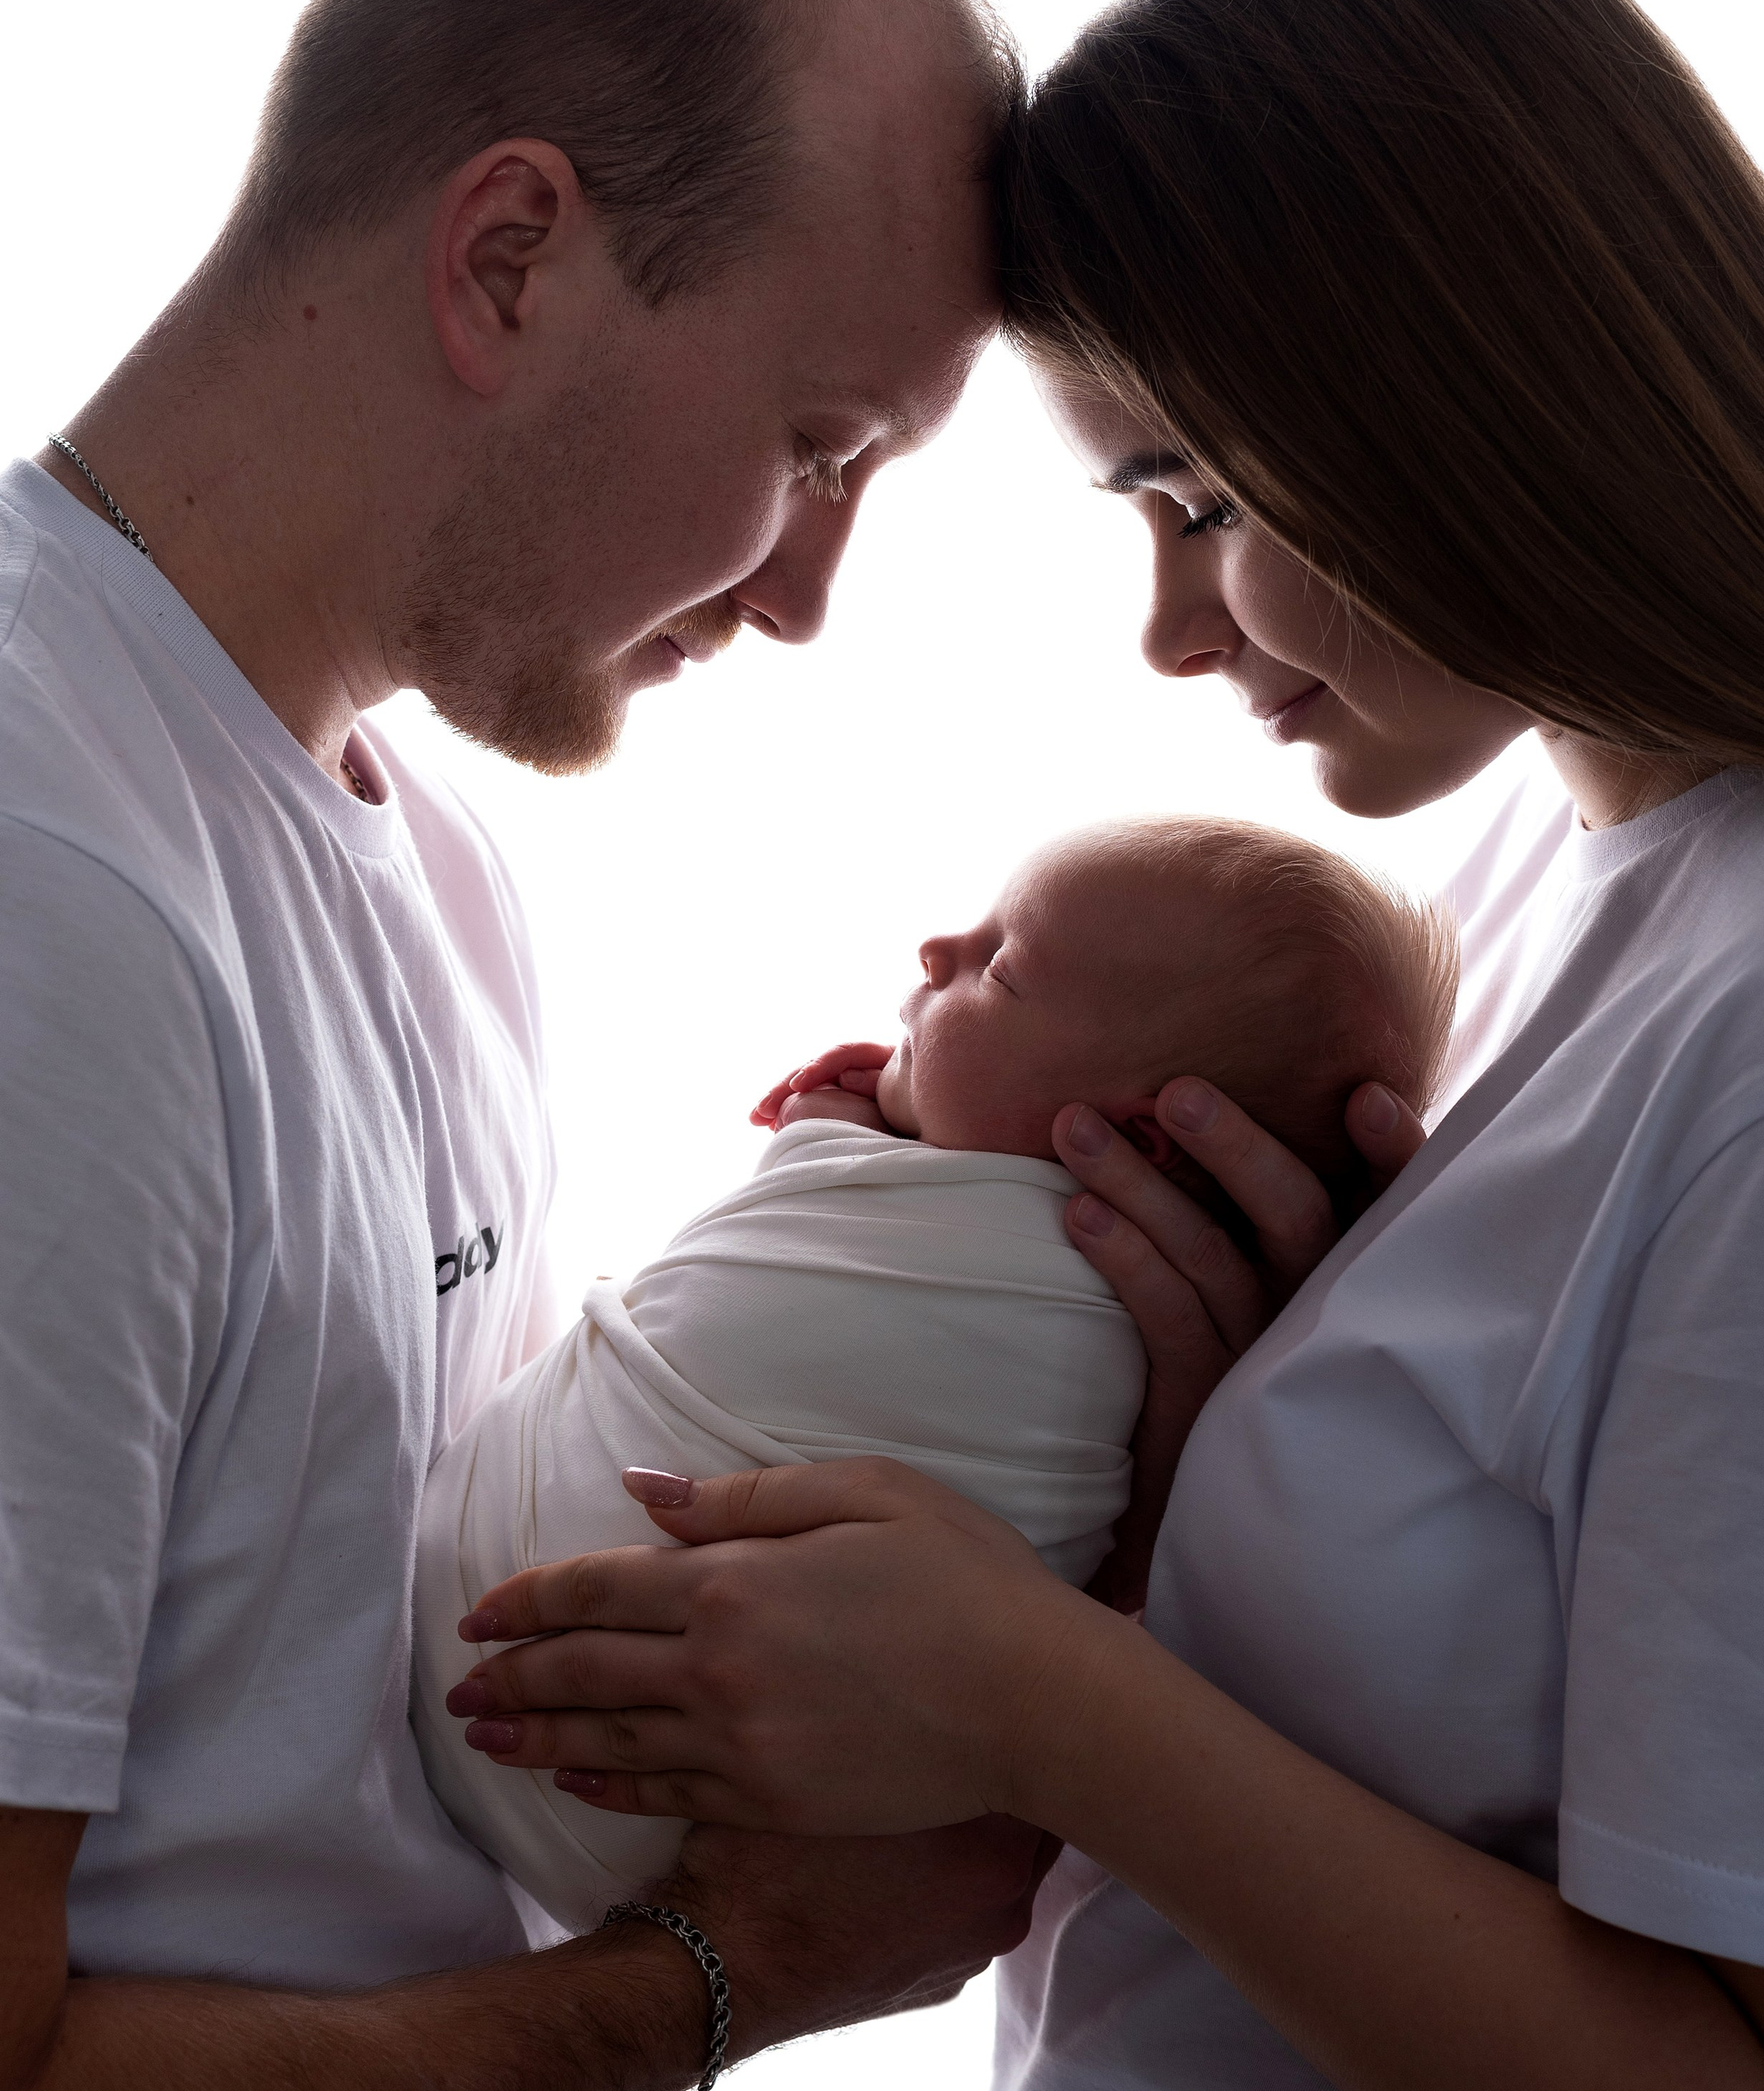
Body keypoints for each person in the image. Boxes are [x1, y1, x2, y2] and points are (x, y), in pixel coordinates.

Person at [450, 0, 1764, 2091]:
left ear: (1472, 392)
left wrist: (1047, 1703)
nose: (1172, 633)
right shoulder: (1537, 870)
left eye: (1198, 492)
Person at [0, 0, 1054, 2091]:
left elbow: (376, 1746)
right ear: (510, 258)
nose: (812, 587)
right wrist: (719, 1978)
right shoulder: (46, 896)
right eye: (825, 440)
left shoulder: (417, 860)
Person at [414, 818, 1456, 1930]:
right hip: (657, 1845)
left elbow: (809, 1210)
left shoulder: (1027, 1275)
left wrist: (826, 1123)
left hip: (562, 1720)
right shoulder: (1152, 1313)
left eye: (1000, 969)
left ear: (1142, 1143)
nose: (935, 952)